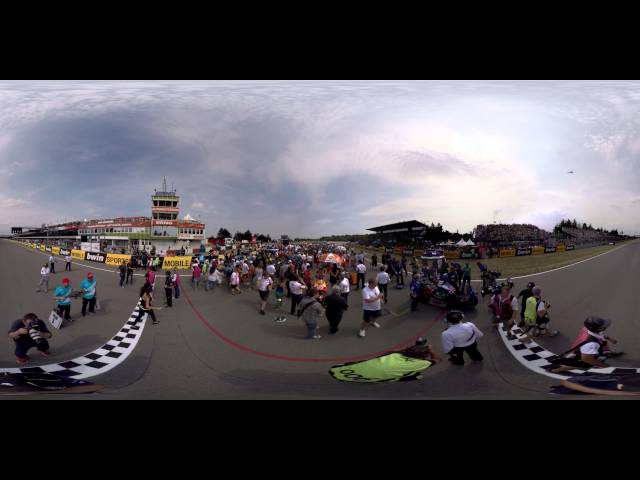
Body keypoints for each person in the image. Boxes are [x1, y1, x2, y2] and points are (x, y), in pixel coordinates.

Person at [550, 317, 616, 373]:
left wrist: (610, 339)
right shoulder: (592, 344)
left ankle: (557, 369)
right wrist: (605, 366)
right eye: (603, 326)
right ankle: (556, 370)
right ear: (599, 329)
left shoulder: (587, 329)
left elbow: (601, 335)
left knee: (576, 363)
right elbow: (586, 359)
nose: (605, 326)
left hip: (582, 349)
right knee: (578, 364)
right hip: (584, 353)